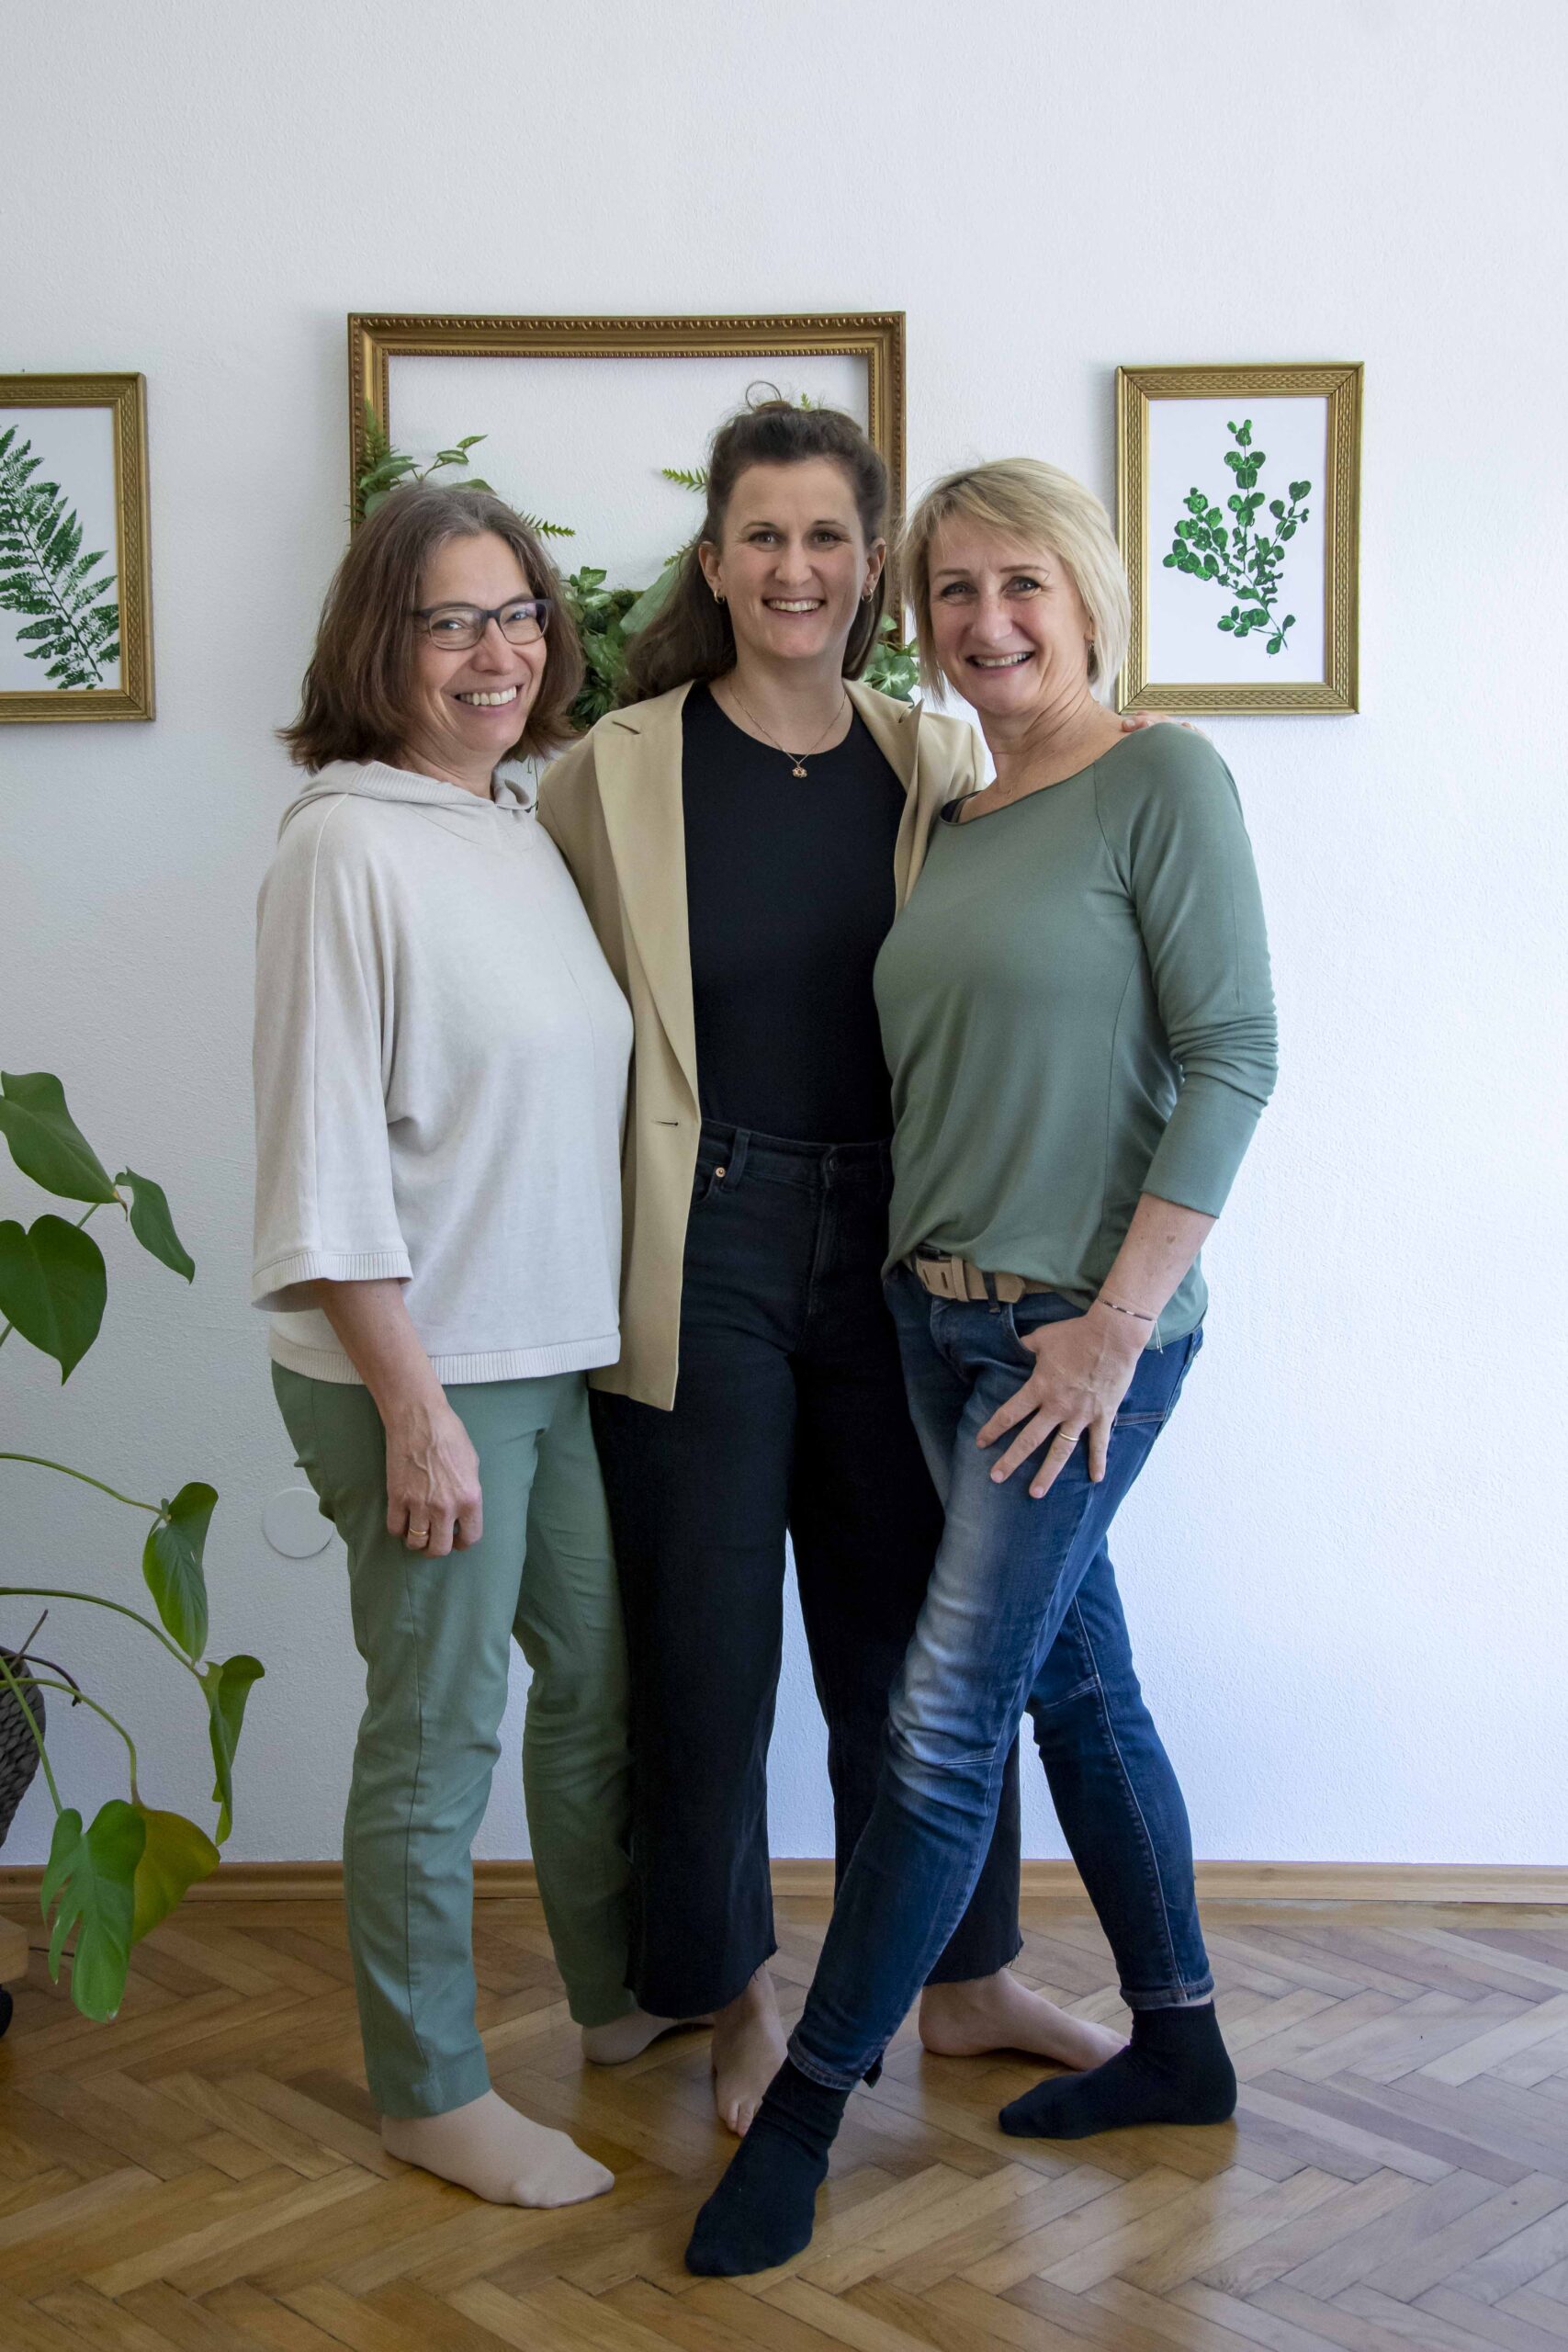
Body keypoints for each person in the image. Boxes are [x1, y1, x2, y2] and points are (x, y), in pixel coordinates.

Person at [686, 454, 1280, 2275]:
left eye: (1021, 582)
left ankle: (804, 2117)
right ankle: (1177, 2039)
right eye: (952, 589)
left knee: (939, 1719)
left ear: (1087, 595)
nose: (987, 619)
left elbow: (1235, 1054)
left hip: (1075, 1338)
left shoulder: (1162, 778)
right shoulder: (950, 809)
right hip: (929, 1323)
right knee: (1077, 1692)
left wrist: (1112, 1330)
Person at [537, 401, 1121, 2138]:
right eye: (762, 535)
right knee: (707, 1650)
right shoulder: (610, 768)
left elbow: (1076, 875)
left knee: (917, 1649)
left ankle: (966, 1977)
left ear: (872, 570)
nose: (794, 567)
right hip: (698, 1238)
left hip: (901, 1249)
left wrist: (1135, 743)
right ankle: (734, 1995)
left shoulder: (941, 762)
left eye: (826, 538)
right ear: (713, 560)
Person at [253, 484, 660, 2211]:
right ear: (381, 643)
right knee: (435, 1734)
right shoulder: (344, 847)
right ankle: (428, 2090)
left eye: (518, 616)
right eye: (450, 622)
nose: (496, 653)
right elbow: (322, 1155)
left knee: (601, 1684)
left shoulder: (513, 825)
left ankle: (617, 1998)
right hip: (419, 1369)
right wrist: (413, 1408)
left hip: (547, 1351)